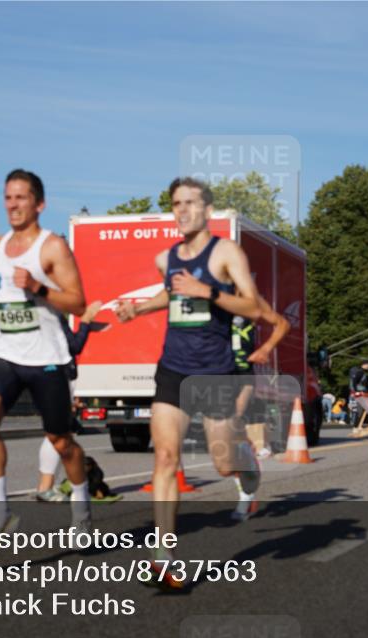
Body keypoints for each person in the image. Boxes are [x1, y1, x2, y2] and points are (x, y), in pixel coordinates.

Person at [115, 177, 262, 589]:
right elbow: (171, 296)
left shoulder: (226, 253)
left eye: (190, 204)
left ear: (207, 211)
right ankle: (163, 557)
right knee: (164, 458)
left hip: (214, 372)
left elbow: (251, 306)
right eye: (176, 204)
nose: (182, 211)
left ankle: (247, 465)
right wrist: (139, 309)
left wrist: (209, 292)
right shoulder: (167, 259)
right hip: (173, 370)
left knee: (223, 462)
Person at [0, 169, 91, 555]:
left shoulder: (52, 247)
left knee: (61, 442)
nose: (13, 205)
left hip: (47, 357)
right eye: (8, 197)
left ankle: (81, 510)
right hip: (5, 352)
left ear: (39, 204)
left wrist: (40, 287)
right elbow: (0, 295)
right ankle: (0, 513)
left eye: (21, 198)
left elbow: (78, 302)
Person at [35, 300, 102, 502]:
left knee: (55, 432)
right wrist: (86, 322)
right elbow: (74, 345)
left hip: (41, 372)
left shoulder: (38, 313)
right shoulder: (53, 315)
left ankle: (45, 486)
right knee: (58, 433)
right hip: (59, 374)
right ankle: (45, 488)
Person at [231, 297, 290, 459]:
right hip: (217, 368)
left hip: (243, 367)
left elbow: (282, 324)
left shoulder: (250, 300)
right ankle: (244, 446)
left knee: (243, 410)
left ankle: (257, 446)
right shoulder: (211, 295)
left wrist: (266, 349)